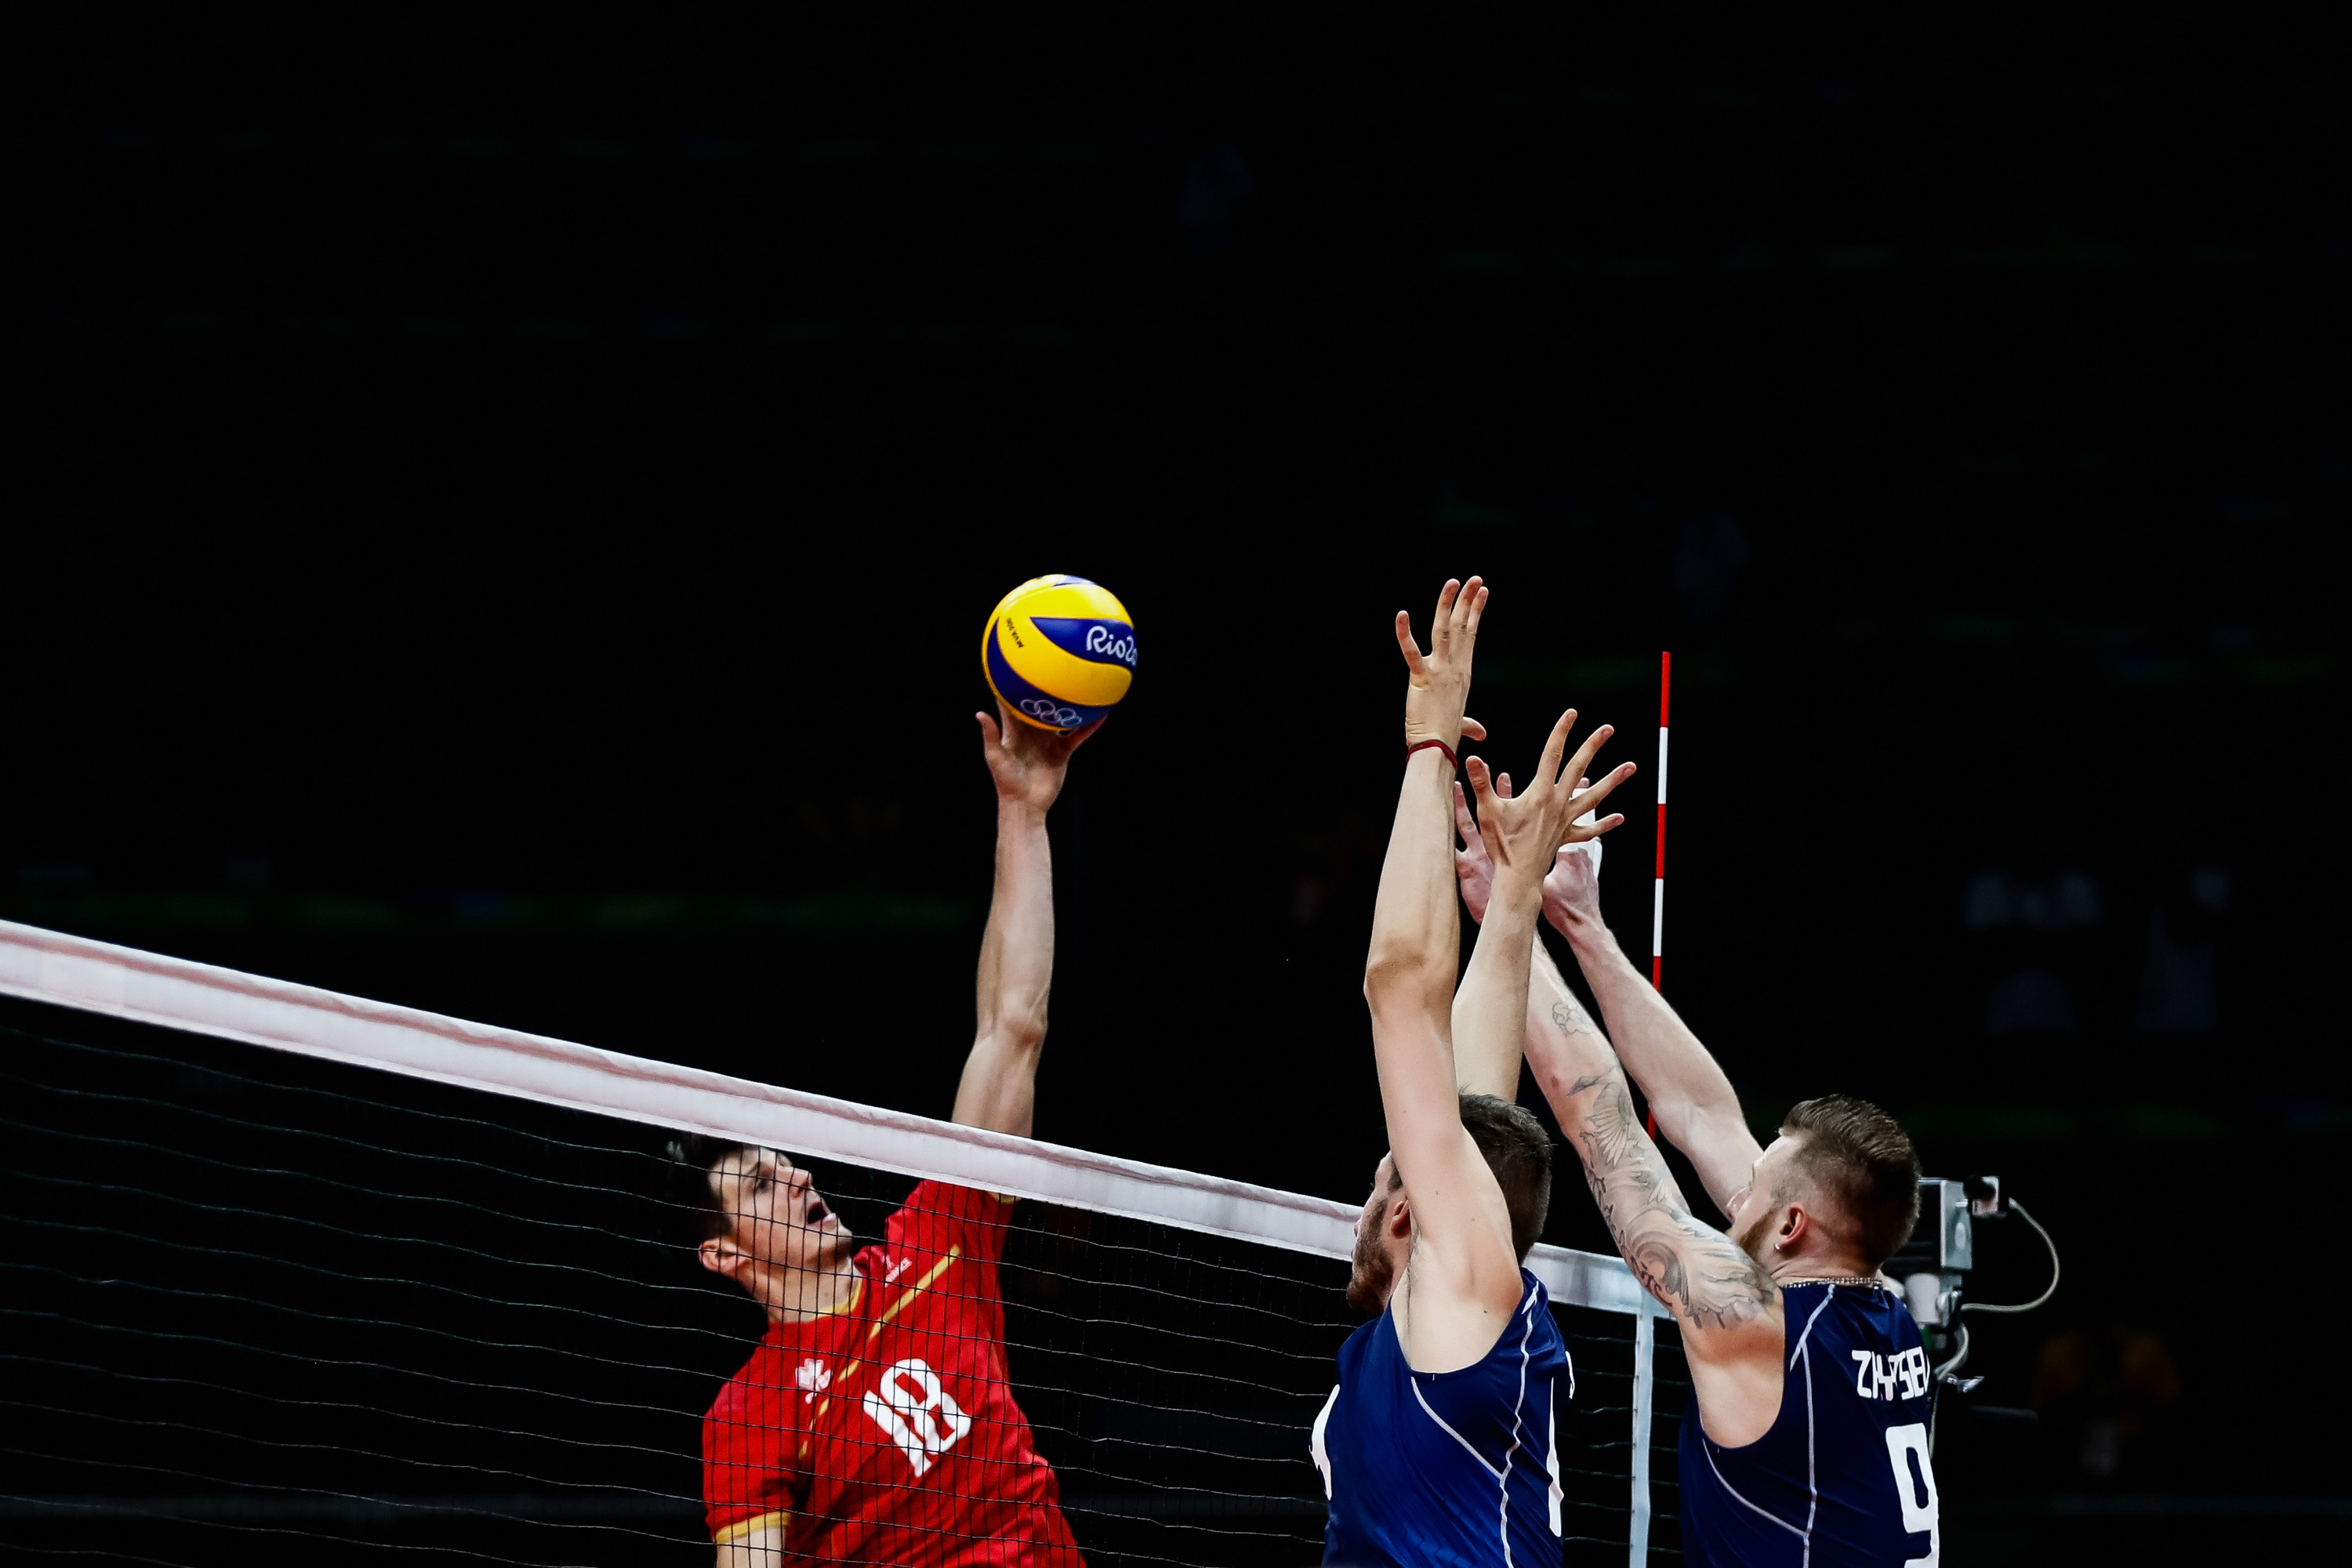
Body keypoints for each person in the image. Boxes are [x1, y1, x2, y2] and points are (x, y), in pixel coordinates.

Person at [1452, 783, 1943, 1566]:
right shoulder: (1882, 1308)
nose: (1736, 1190)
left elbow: (1603, 1125)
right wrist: (1581, 923)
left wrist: (1506, 911)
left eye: (1754, 1186)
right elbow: (1699, 1112)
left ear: (1792, 1225)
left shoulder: (1752, 1320)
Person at [677, 700, 1095, 1566]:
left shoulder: (938, 1238)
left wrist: (1022, 810)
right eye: (757, 1186)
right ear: (723, 1254)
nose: (795, 1179)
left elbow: (1011, 1028)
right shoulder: (749, 1413)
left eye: (783, 1163)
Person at [1311, 577, 1639, 1568]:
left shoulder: (1459, 1288)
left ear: (1413, 1210)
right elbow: (1480, 1102)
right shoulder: (1457, 1304)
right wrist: (1512, 898)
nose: (1369, 1194)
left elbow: (1400, 985)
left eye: (1387, 1174)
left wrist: (1428, 746)